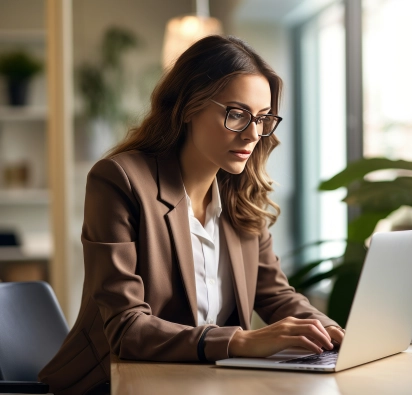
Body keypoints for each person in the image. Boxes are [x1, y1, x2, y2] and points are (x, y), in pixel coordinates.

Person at [39, 35, 344, 395]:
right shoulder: (119, 181)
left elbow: (275, 295)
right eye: (236, 114)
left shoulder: (239, 193)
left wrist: (332, 332)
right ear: (188, 107)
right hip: (111, 384)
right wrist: (241, 342)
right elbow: (127, 329)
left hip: (206, 383)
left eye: (262, 119)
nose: (253, 134)